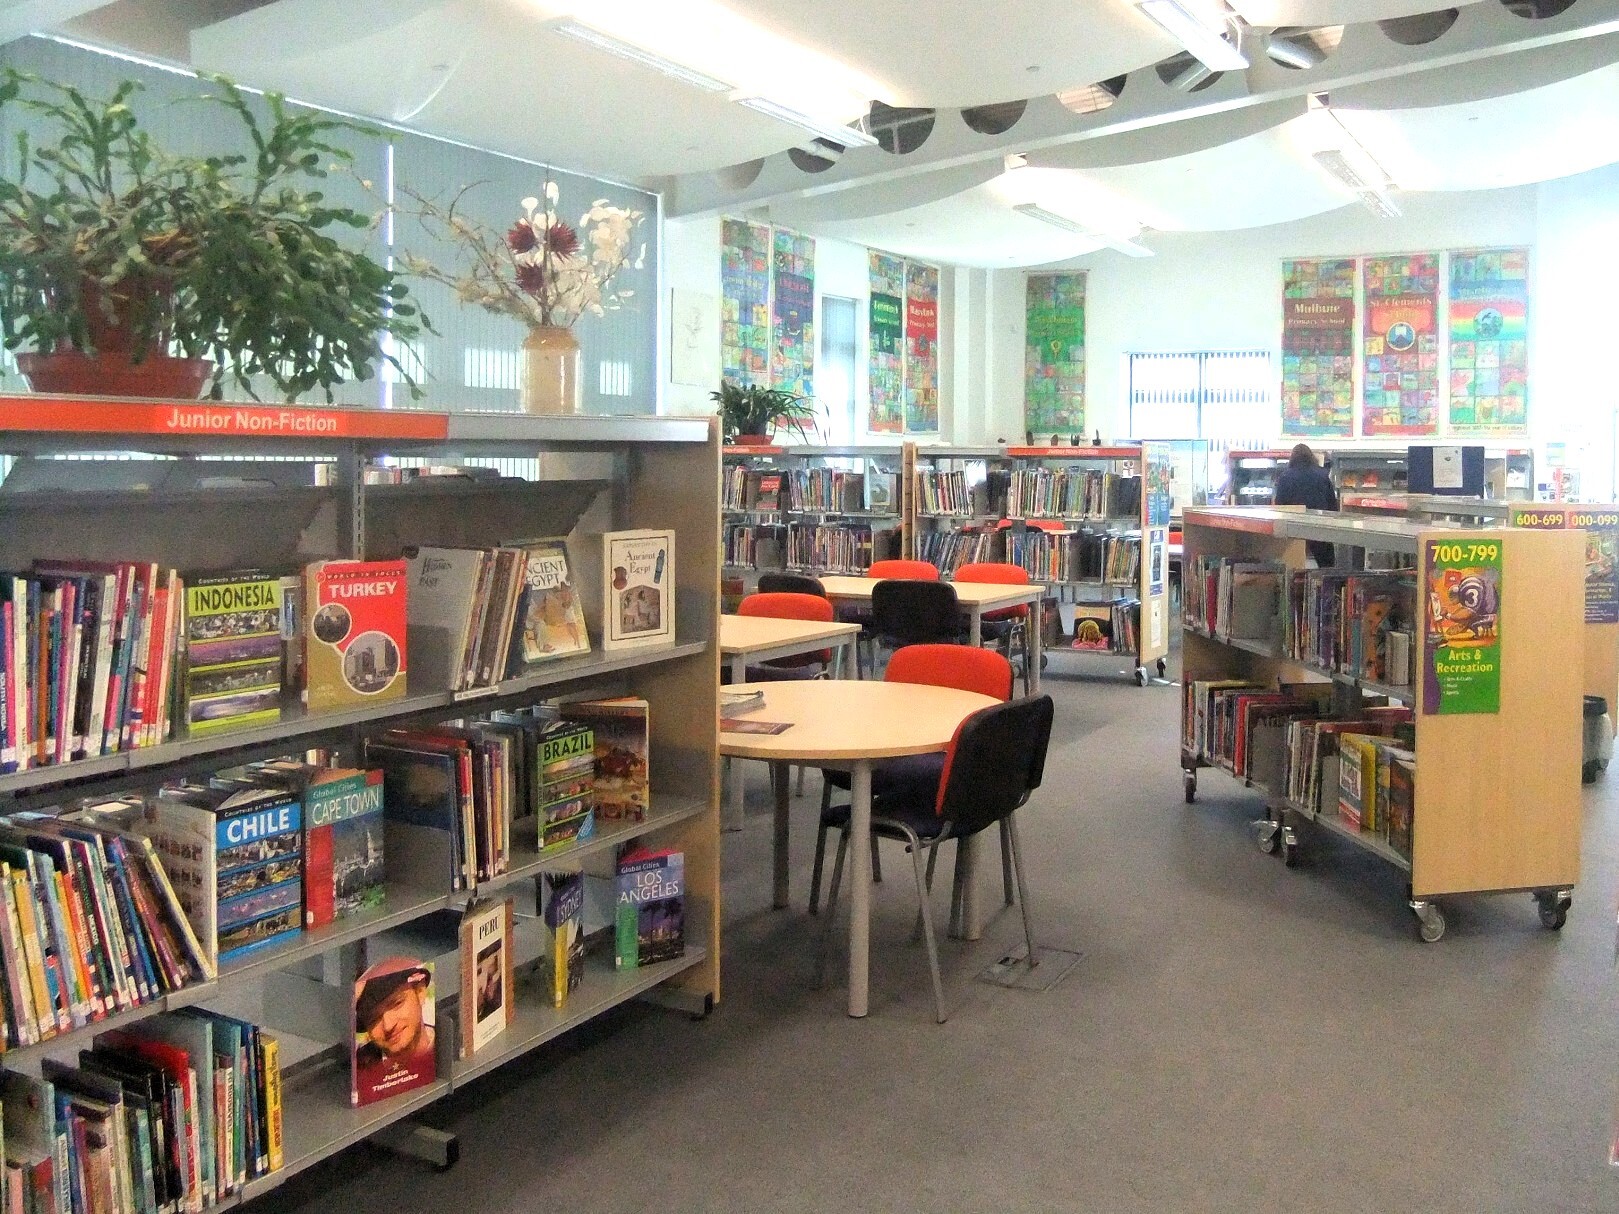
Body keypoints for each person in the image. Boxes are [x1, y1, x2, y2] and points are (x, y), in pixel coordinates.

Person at [354, 958, 435, 1100]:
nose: (388, 1025)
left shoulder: (446, 1047)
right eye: (373, 1019)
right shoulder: (360, 1069)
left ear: (420, 991)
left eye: (396, 1004)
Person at [1273, 443, 1338, 566]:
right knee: (1326, 565)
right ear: (1311, 456)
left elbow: (1280, 506)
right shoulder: (1322, 475)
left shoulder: (1285, 477)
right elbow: (1332, 505)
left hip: (1294, 529)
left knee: (1293, 565)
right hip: (1319, 527)